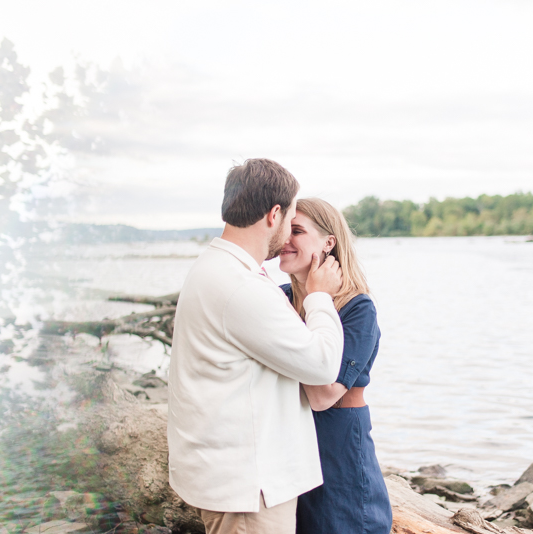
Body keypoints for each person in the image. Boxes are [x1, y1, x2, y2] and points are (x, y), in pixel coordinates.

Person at [167, 159, 345, 534]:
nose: (289, 232)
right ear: (274, 214)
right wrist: (319, 298)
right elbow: (323, 363)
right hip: (248, 488)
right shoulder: (241, 286)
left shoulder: (217, 268)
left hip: (235, 479)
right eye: (292, 218)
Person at [278, 197, 393, 534]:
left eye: (297, 231)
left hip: (338, 441)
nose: (285, 239)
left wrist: (318, 298)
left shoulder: (358, 308)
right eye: (284, 229)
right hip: (290, 441)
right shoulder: (279, 298)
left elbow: (323, 395)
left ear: (329, 242)